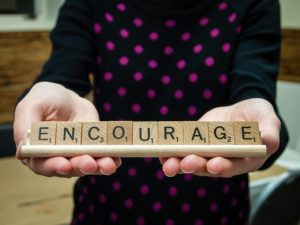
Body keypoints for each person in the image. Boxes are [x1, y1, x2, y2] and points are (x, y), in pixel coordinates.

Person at [14, 0, 289, 224]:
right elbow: (63, 70)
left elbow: (254, 87)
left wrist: (259, 119)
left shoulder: (254, 4)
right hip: (105, 205)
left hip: (215, 207)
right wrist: (49, 91)